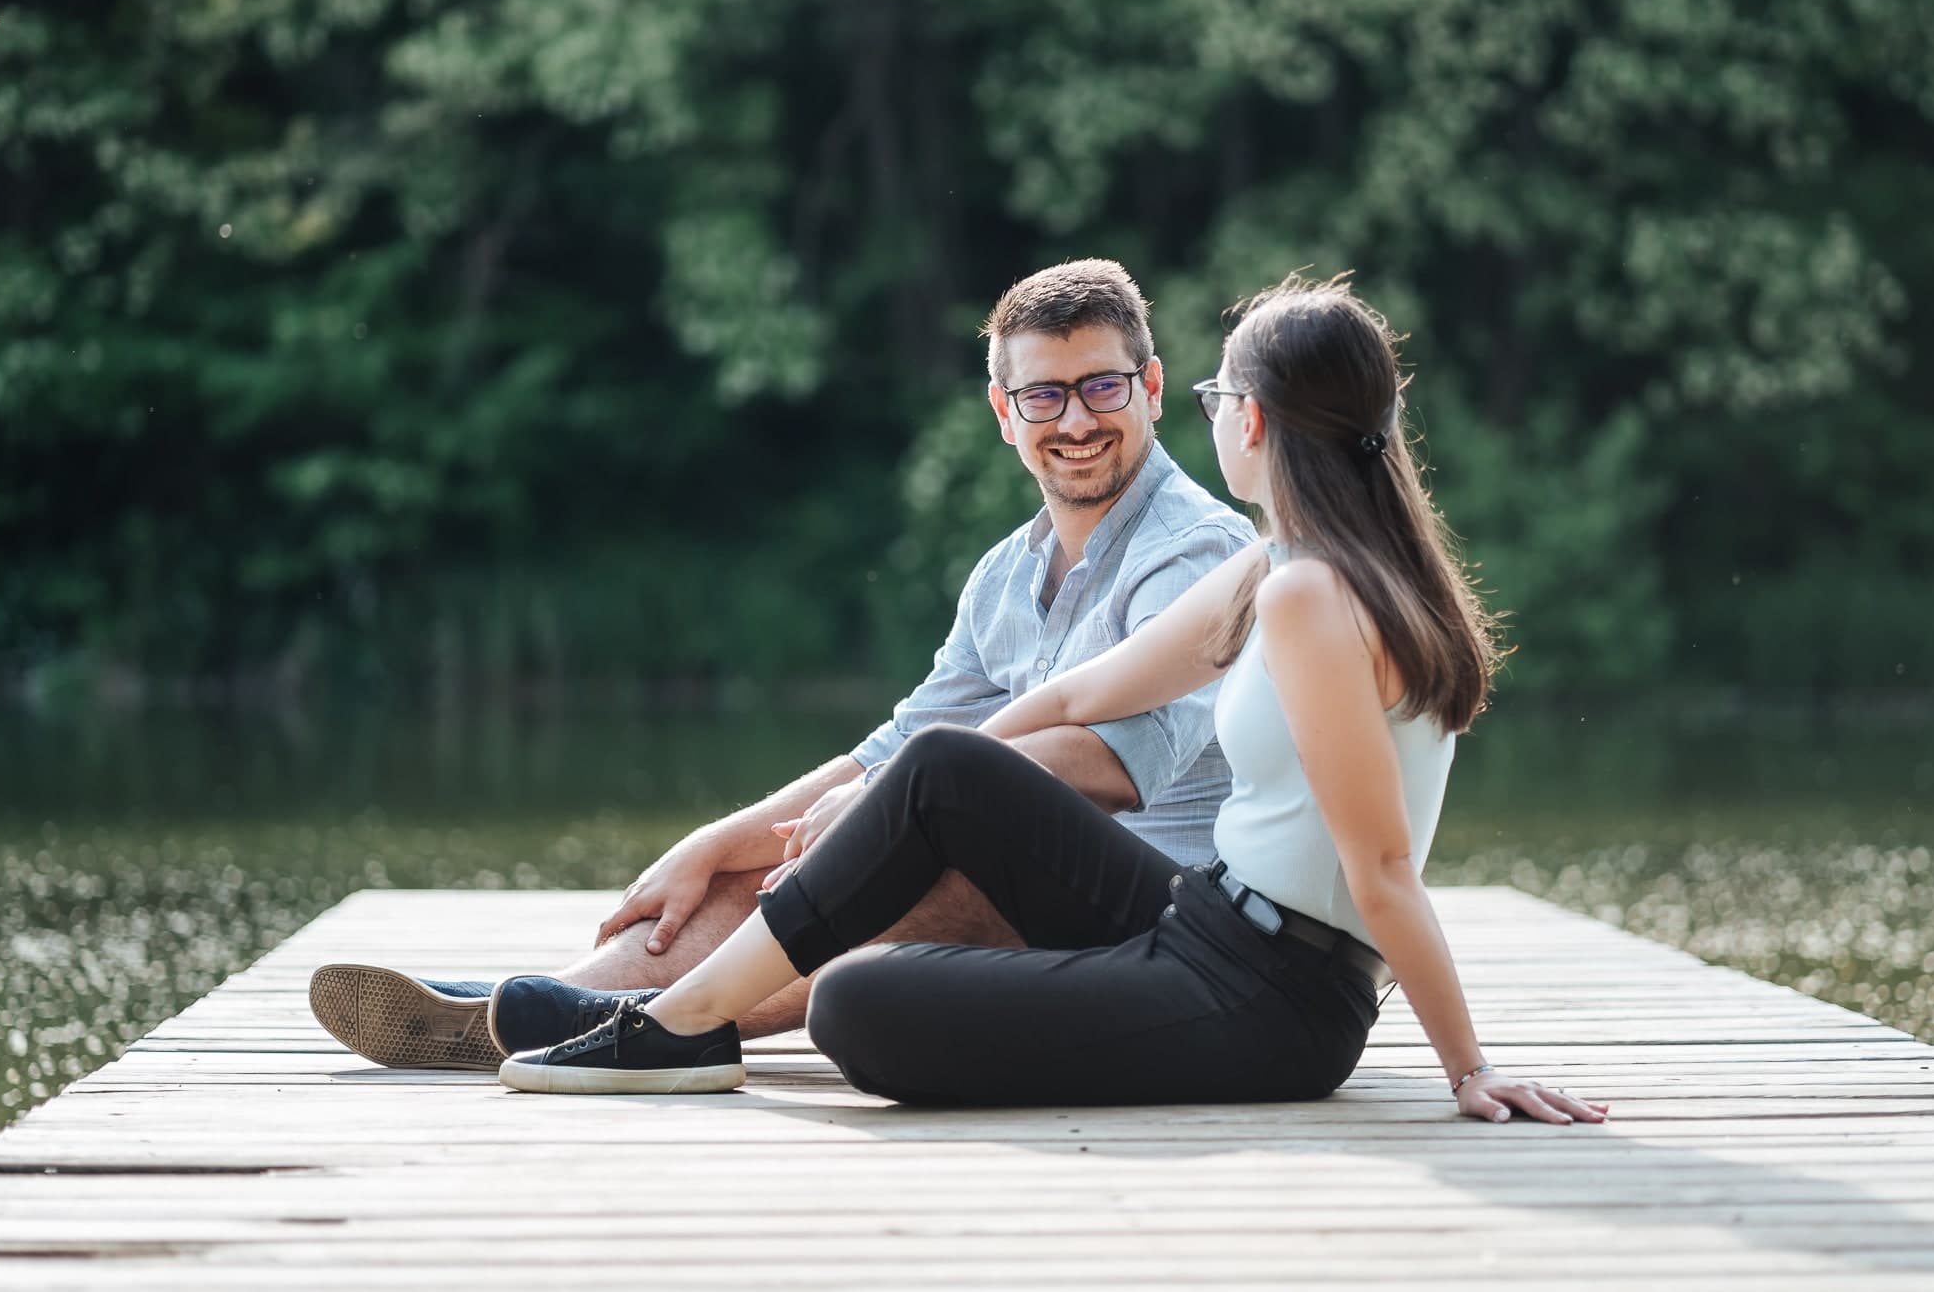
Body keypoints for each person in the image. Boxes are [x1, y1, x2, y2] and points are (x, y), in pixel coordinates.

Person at [495, 273, 1609, 1125]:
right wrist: (894, 794)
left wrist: (1469, 1068)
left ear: (1255, 419)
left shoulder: (1312, 597)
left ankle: (671, 1018)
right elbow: (1084, 688)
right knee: (943, 764)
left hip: (1276, 998)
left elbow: (1382, 870)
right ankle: (679, 1022)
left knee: (855, 1006)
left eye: (1219, 395)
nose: (1213, 417)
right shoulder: (1281, 565)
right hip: (1204, 919)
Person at [308, 258, 1257, 1069]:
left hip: (1166, 926)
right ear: (1004, 414)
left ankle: (627, 1020)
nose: (1076, 419)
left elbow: (1114, 765)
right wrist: (719, 843)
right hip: (1048, 899)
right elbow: (897, 746)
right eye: (1044, 395)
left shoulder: (1196, 553)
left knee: (930, 865)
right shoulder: (1006, 575)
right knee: (766, 868)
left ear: (1151, 387)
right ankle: (548, 1001)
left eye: (1102, 387)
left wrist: (880, 804)